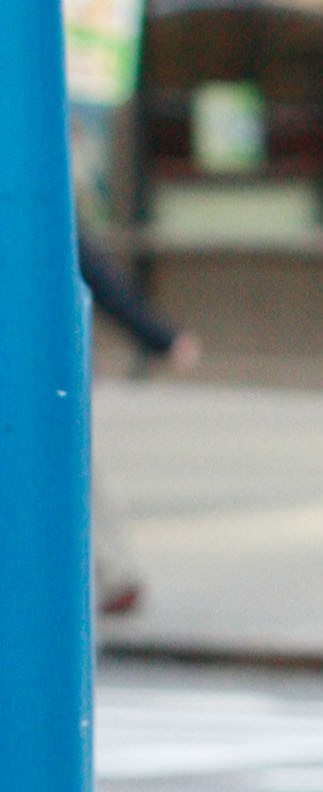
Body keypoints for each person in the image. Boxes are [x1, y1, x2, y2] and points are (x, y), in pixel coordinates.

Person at [79, 229, 201, 619]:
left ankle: (117, 575)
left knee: (74, 473)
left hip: (44, 379)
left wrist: (161, 337)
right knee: (75, 473)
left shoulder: (27, 194)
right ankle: (116, 575)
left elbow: (100, 279)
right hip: (42, 377)